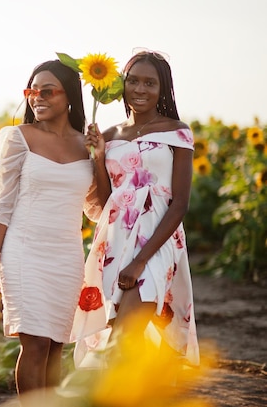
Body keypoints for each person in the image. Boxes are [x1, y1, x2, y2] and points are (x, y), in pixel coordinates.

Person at [0, 59, 94, 405]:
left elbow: (98, 205)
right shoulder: (18, 138)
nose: (36, 98)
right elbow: (2, 205)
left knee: (56, 345)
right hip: (23, 252)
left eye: (47, 91)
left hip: (68, 255)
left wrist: (100, 156)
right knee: (37, 342)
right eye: (32, 91)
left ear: (69, 96)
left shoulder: (85, 145)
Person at [73, 49, 200, 368]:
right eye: (133, 81)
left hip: (159, 239)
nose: (140, 89)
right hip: (115, 240)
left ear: (162, 89)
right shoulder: (111, 135)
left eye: (150, 83)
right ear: (122, 85)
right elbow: (105, 204)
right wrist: (99, 157)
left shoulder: (177, 131)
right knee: (122, 336)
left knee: (125, 335)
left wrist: (141, 260)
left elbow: (180, 203)